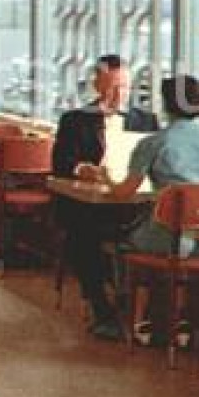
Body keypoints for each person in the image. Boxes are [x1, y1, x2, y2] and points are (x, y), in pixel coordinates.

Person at [86, 74, 199, 347]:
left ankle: (131, 322)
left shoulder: (153, 143)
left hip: (166, 237)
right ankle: (182, 322)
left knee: (123, 245)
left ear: (165, 105)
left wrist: (106, 176)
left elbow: (123, 193)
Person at [52, 55, 160, 341]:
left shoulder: (147, 120)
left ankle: (139, 311)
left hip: (135, 206)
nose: (119, 95)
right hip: (89, 206)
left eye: (124, 87)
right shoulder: (74, 120)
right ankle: (102, 306)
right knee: (83, 233)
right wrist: (81, 169)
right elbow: (61, 162)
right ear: (97, 84)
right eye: (113, 87)